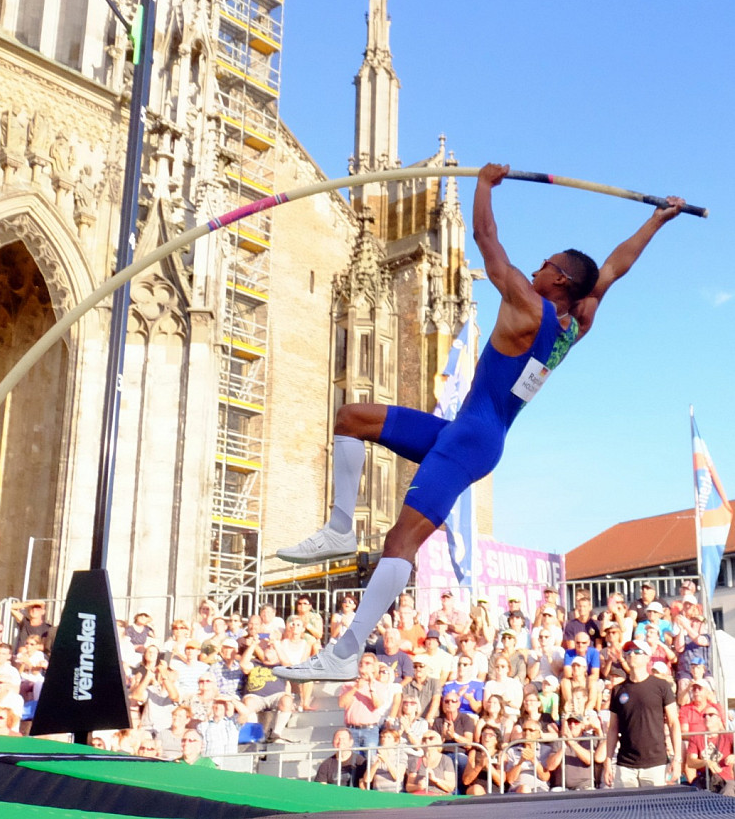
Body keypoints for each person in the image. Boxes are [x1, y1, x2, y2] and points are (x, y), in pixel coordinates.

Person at [275, 166, 686, 683]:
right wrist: (657, 220)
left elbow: (485, 238)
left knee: (400, 542)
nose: (535, 267)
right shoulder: (577, 323)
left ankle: (346, 651)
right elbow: (613, 268)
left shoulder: (526, 304)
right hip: (463, 431)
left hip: (471, 439)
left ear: (560, 279)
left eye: (546, 264)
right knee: (351, 418)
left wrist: (485, 184)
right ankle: (338, 529)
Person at [604, 639, 681, 788]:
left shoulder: (661, 686)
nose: (632, 654)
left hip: (655, 763)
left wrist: (677, 759)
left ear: (647, 658)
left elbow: (673, 723)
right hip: (625, 765)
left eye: (637, 651)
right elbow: (613, 728)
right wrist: (608, 761)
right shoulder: (618, 690)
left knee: (656, 804)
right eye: (628, 652)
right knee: (625, 804)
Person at [405, 730, 457, 795]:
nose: (427, 741)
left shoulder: (446, 760)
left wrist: (435, 780)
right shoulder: (416, 760)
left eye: (431, 738)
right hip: (420, 795)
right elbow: (408, 787)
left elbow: (450, 787)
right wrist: (418, 787)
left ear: (438, 742)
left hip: (439, 796)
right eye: (424, 739)